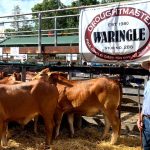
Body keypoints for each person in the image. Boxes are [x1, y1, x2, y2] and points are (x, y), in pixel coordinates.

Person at [137, 60, 150, 150]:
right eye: (149, 65)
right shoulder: (148, 83)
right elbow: (145, 102)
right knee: (146, 147)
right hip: (146, 120)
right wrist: (140, 118)